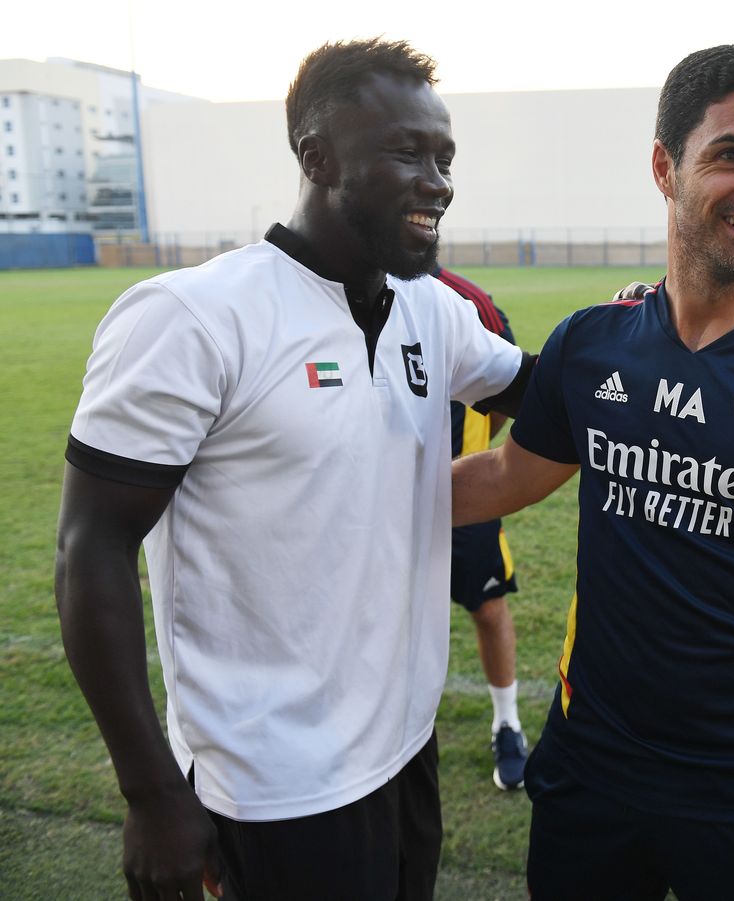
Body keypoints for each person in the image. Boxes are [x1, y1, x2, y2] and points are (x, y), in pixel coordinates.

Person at [55, 39, 533, 901]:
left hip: (405, 744)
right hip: (273, 784)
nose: (438, 181)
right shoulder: (193, 318)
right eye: (405, 152)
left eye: (444, 157)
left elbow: (537, 389)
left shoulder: (431, 308)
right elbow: (90, 549)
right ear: (316, 155)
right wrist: (152, 791)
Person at [452, 44, 734, 900]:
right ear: (665, 167)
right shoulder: (591, 342)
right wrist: (340, 492)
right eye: (731, 155)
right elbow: (505, 474)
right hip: (589, 773)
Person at [434, 266, 528, 790]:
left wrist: (470, 451)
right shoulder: (351, 289)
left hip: (460, 497)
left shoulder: (470, 301)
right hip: (376, 502)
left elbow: (506, 394)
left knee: (489, 609)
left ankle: (507, 722)